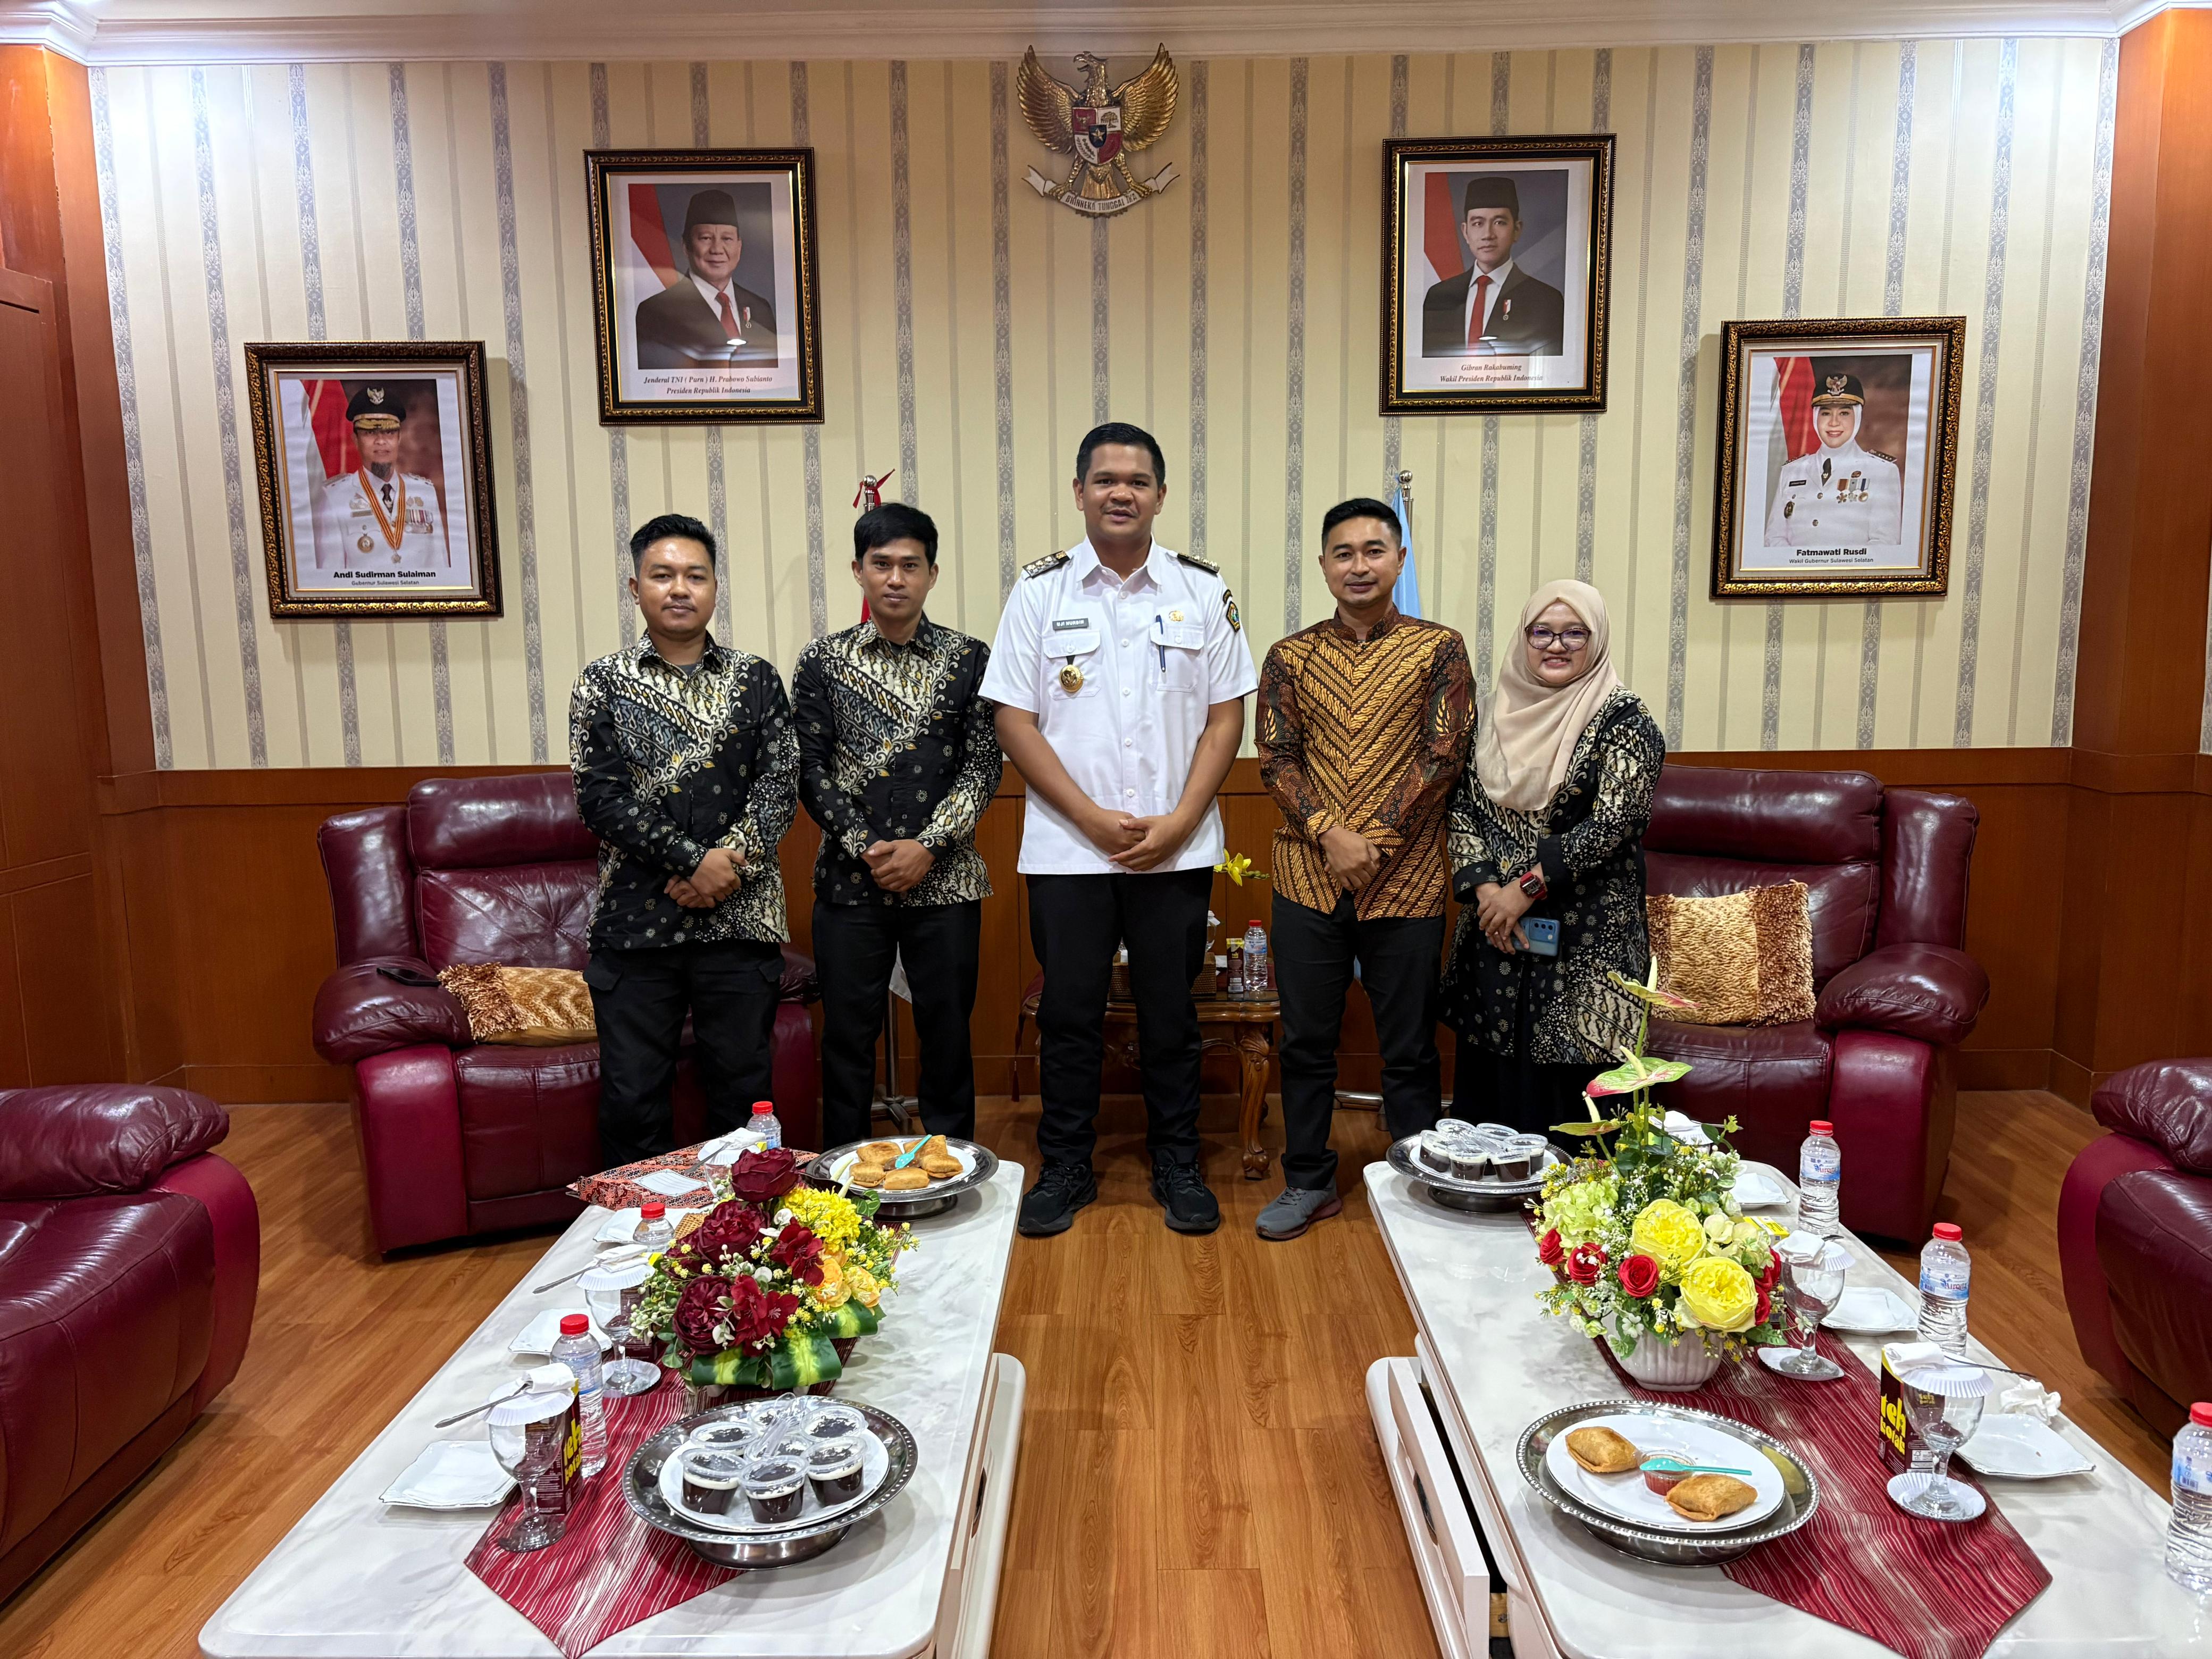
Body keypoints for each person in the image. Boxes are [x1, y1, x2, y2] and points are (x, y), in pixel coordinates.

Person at [981, 421, 1258, 1238]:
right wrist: (1091, 818)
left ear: (1161, 495)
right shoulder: (1040, 592)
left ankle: (1178, 1162)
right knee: (1069, 1014)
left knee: (1172, 1013)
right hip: (1069, 851)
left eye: (1138, 481)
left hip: (1177, 849)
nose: (1121, 493)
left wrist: (1181, 821)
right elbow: (1013, 719)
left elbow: (1226, 717)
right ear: (1079, 492)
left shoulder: (1201, 590)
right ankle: (1066, 1164)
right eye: (1105, 480)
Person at [1253, 499, 1473, 1241]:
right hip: (1307, 876)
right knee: (1305, 1043)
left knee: (1408, 1047)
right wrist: (1328, 832)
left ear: (1399, 560)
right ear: (1323, 565)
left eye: (1374, 551)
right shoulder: (1289, 657)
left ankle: (1418, 1182)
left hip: (1406, 880)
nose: (1358, 565)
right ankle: (1308, 1181)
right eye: (1343, 553)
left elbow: (1444, 755)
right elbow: (1275, 758)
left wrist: (1371, 840)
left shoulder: (1438, 649)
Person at [568, 512, 799, 1169]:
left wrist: (727, 870)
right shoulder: (602, 682)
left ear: (715, 587)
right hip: (636, 925)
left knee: (744, 1099)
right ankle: (633, 1224)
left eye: (695, 576)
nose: (679, 589)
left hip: (740, 920)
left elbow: (779, 785)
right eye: (662, 575)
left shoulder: (756, 679)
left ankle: (743, 1226)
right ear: (635, 587)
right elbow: (600, 799)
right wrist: (694, 862)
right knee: (633, 1099)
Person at [794, 502, 1002, 1149]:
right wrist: (868, 847)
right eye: (880, 564)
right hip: (849, 883)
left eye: (910, 566)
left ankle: (950, 1170)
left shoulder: (970, 659)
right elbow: (810, 770)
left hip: (946, 880)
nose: (894, 578)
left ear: (931, 575)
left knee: (947, 1032)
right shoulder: (823, 661)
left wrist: (928, 847)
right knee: (847, 1035)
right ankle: (842, 1176)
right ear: (857, 570)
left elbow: (982, 767)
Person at [1439, 579, 1664, 1137]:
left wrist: (1523, 891)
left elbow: (1613, 824)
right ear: (1524, 638)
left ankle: (1574, 1196)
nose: (1556, 645)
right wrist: (1489, 895)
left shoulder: (1626, 722)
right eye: (1541, 632)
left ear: (1597, 639)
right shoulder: (1487, 716)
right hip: (1496, 934)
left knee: (1578, 1113)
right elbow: (1462, 807)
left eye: (1574, 633)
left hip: (1588, 945)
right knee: (1490, 1102)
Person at [634, 188, 779, 370]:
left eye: (727, 239)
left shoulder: (761, 309)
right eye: (706, 238)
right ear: (686, 246)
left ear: (739, 247)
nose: (717, 249)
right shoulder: (655, 312)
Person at [1420, 176, 1565, 357]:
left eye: (1499, 222)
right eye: (1478, 223)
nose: (1488, 235)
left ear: (1517, 230)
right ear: (1466, 232)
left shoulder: (1545, 301)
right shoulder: (1438, 297)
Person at [312, 383, 447, 571]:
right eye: (370, 433)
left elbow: (440, 567)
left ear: (399, 438)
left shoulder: (425, 493)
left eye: (389, 432)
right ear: (355, 440)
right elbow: (331, 575)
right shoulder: (334, 497)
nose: (381, 441)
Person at [1764, 372, 1904, 548]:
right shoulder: (1792, 471)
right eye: (1826, 413)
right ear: (1815, 417)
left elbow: (1885, 543)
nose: (1834, 423)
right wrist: (1800, 564)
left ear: (1858, 417)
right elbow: (1774, 538)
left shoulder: (1882, 472)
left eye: (1844, 413)